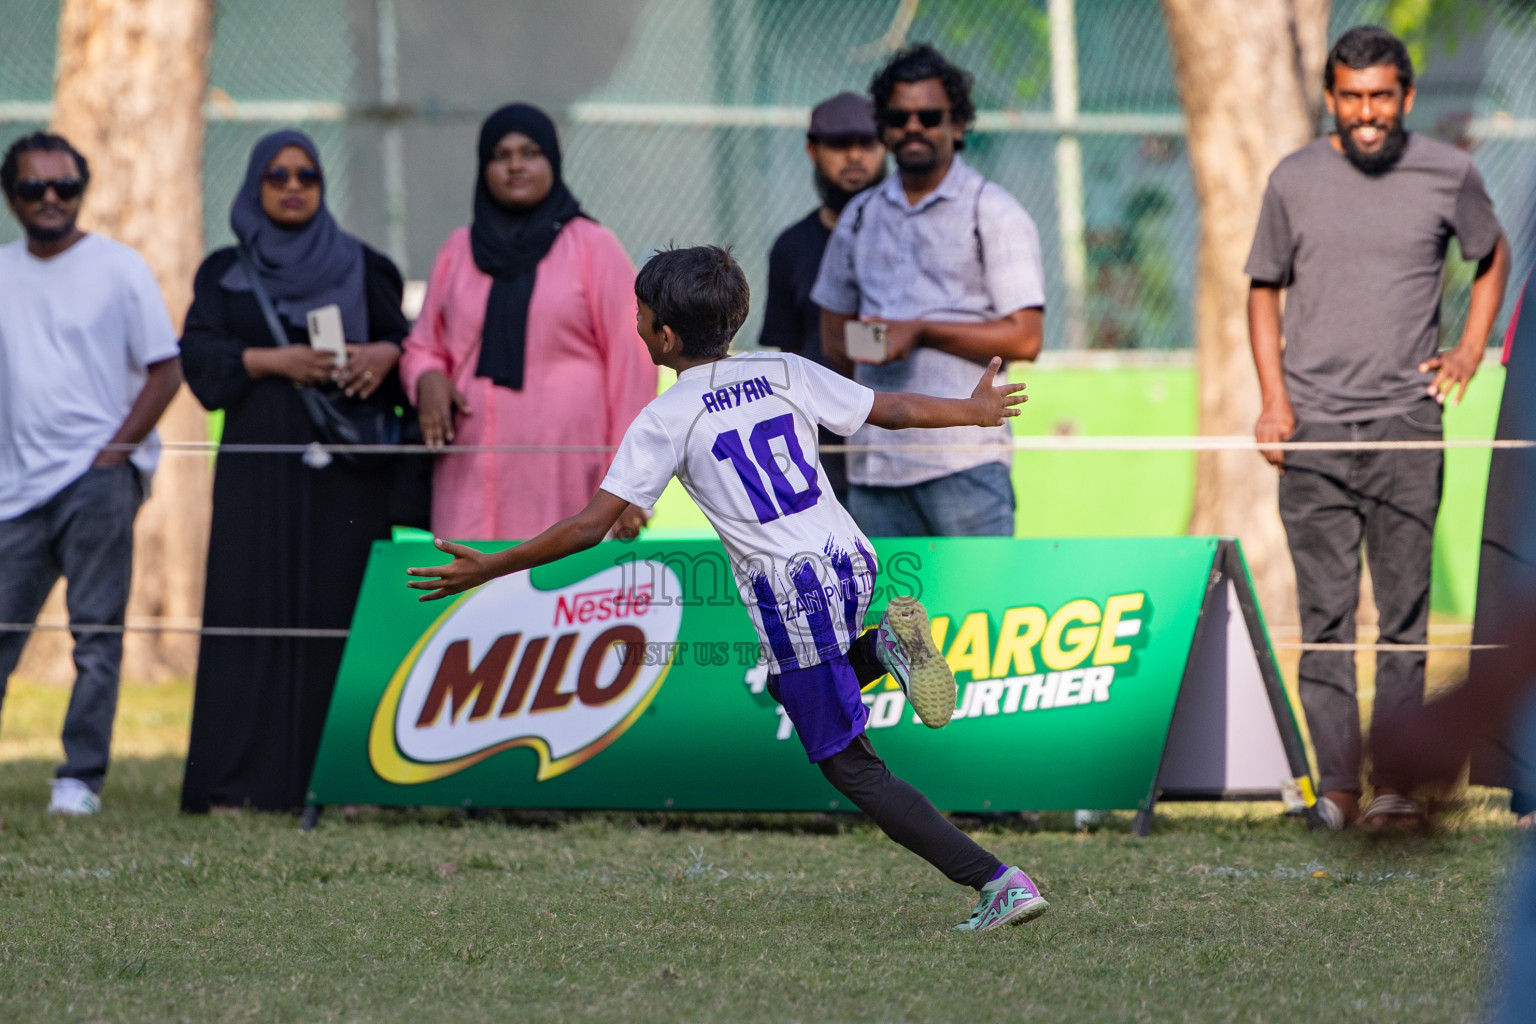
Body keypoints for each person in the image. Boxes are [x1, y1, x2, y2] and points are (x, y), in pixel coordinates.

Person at [408, 245, 1048, 933]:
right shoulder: (783, 368)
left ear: (665, 336)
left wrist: (492, 565)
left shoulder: (666, 416)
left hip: (791, 594)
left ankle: (998, 882)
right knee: (786, 684)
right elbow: (887, 408)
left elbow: (591, 526)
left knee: (851, 768)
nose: (636, 324)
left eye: (639, 314)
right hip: (850, 561)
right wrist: (973, 410)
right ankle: (884, 644)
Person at [1244, 26, 1510, 831]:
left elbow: (1491, 254)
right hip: (1313, 429)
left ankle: (1395, 788)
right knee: (1325, 621)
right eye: (1353, 97)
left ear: (1406, 97)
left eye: (1381, 96)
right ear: (1332, 97)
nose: (1367, 112)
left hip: (1407, 427)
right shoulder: (1292, 178)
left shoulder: (1448, 172)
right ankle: (1337, 791)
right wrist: (1273, 399)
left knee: (1403, 618)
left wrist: (1470, 348)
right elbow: (1262, 289)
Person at [178, 130, 417, 814]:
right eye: (277, 175)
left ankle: (343, 782)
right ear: (255, 184)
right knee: (247, 614)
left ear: (321, 186)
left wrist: (384, 354)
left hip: (348, 477)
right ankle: (237, 786)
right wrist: (270, 362)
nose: (292, 186)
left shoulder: (365, 266)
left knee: (341, 616)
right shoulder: (224, 272)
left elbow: (411, 349)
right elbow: (199, 359)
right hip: (258, 474)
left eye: (306, 175)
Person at [0, 132, 182, 815]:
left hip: (98, 481)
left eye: (65, 186)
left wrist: (114, 454)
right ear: (11, 197)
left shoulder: (120, 268)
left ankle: (80, 779)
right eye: (33, 187)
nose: (51, 198)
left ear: (82, 190)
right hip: (14, 490)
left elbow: (167, 369)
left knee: (95, 637)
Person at [812, 43, 1044, 538]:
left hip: (965, 464)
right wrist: (881, 341)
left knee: (979, 594)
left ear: (957, 125)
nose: (913, 127)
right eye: (899, 118)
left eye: (930, 117)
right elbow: (834, 340)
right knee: (881, 595)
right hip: (875, 467)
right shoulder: (860, 216)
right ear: (884, 128)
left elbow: (1026, 338)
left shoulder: (994, 211)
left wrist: (921, 331)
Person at [400, 103, 655, 541]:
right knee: (468, 580)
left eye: (530, 152)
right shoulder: (458, 250)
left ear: (552, 160)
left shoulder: (593, 247)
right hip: (469, 466)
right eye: (501, 155)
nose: (515, 165)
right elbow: (423, 345)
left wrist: (628, 483)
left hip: (569, 474)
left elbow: (632, 365)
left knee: (563, 580)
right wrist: (426, 377)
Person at [758, 91, 886, 504]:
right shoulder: (791, 247)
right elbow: (789, 359)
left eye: (867, 143)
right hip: (824, 452)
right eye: (839, 144)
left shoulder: (910, 239)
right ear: (813, 151)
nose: (854, 156)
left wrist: (881, 343)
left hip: (903, 439)